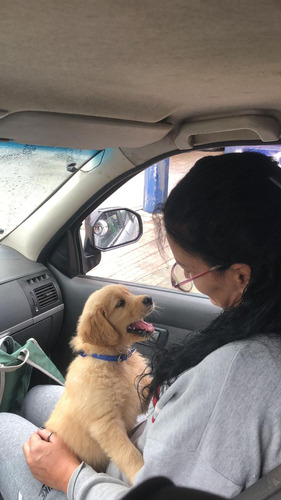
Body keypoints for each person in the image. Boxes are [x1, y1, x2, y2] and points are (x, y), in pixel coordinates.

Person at [1, 151, 281, 499]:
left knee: (4, 427)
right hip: (148, 440)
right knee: (38, 396)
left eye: (190, 271)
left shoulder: (239, 373)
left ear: (240, 275)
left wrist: (69, 475)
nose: (190, 282)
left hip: (113, 485)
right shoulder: (261, 333)